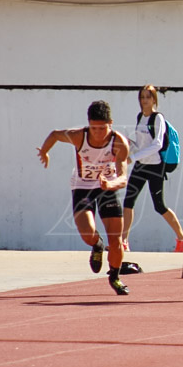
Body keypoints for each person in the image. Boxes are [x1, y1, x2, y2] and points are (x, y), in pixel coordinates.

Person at [36, 100, 131, 296]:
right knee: (86, 232)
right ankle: (96, 244)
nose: (98, 133)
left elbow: (123, 177)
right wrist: (45, 151)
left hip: (107, 187)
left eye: (102, 128)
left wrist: (110, 184)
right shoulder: (79, 136)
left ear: (111, 124)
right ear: (88, 124)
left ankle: (115, 276)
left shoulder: (119, 142)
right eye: (94, 128)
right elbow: (55, 134)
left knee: (116, 240)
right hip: (83, 186)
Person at [121, 85, 183, 253]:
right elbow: (141, 144)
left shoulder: (158, 118)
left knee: (159, 206)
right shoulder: (140, 117)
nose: (144, 100)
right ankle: (123, 241)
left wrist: (133, 157)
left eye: (148, 97)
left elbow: (157, 144)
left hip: (155, 166)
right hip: (140, 165)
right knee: (128, 202)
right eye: (142, 97)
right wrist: (129, 146)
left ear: (154, 99)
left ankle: (182, 239)